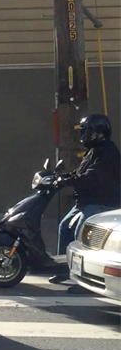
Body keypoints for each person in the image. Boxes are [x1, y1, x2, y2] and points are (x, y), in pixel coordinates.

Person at [50, 114, 121, 282]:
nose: (84, 136)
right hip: (86, 201)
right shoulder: (93, 151)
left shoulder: (109, 153)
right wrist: (63, 177)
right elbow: (80, 172)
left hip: (102, 203)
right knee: (64, 227)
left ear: (99, 132)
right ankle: (64, 270)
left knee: (79, 233)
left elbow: (92, 177)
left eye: (88, 131)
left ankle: (81, 278)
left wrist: (70, 181)